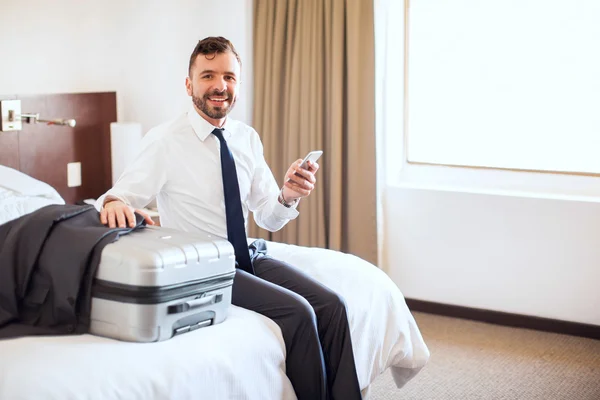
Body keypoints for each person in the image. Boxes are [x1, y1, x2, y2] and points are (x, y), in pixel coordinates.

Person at [96, 36, 362, 400]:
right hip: (206, 267)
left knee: (332, 306)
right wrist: (112, 202)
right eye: (208, 76)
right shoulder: (165, 142)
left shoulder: (246, 138)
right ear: (189, 85)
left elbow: (268, 214)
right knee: (299, 314)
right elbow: (119, 195)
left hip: (248, 253)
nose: (220, 86)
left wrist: (288, 195)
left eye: (229, 77)